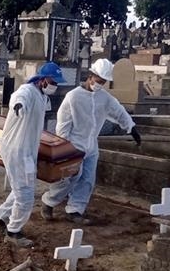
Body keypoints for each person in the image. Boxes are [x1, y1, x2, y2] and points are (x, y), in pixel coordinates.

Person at [40, 58, 141, 224]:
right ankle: (49, 202)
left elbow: (119, 111)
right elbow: (63, 125)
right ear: (90, 76)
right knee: (70, 178)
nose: (100, 84)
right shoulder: (73, 97)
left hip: (91, 145)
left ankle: (75, 210)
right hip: (74, 144)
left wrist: (131, 127)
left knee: (87, 179)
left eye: (104, 82)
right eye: (99, 80)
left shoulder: (105, 98)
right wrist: (64, 148)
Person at [0, 62, 66, 248]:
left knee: (23, 188)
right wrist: (18, 106)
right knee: (25, 195)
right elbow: (18, 98)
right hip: (16, 149)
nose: (55, 85)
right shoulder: (27, 91)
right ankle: (13, 232)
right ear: (42, 80)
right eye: (52, 81)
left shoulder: (42, 96)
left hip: (27, 149)